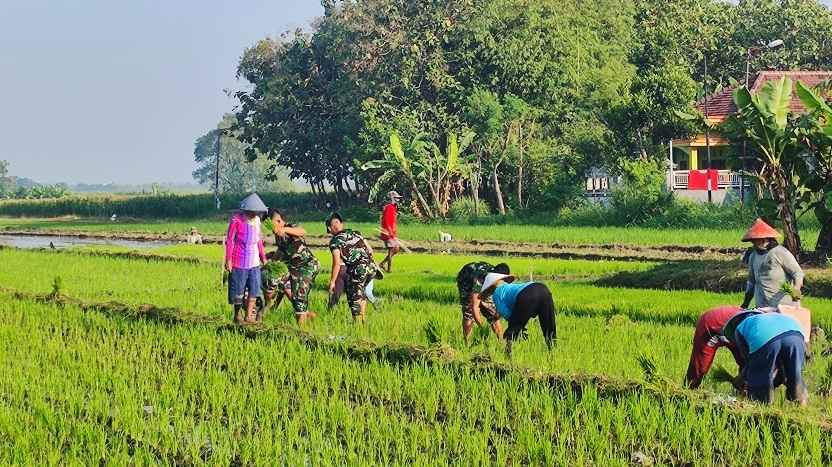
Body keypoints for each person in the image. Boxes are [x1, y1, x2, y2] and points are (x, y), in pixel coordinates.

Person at [723, 310, 808, 406]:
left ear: (734, 326)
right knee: (795, 373)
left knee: (758, 376)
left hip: (764, 337)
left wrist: (741, 378)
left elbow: (751, 363)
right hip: (796, 334)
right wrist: (775, 383)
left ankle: (762, 410)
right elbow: (782, 370)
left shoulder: (739, 329)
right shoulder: (765, 318)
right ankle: (802, 408)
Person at [266, 208, 320, 328]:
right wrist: (270, 263)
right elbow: (281, 250)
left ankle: (301, 330)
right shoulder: (278, 236)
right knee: (276, 279)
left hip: (306, 266)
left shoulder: (291, 227)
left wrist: (284, 229)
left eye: (273, 225)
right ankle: (268, 305)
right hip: (291, 266)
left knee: (300, 297)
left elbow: (303, 231)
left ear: (279, 221)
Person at [478, 273, 556, 355]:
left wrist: (517, 327)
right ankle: (553, 353)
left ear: (490, 286)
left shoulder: (496, 294)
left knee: (510, 333)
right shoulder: (509, 287)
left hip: (527, 295)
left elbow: (508, 315)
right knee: (549, 327)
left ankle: (508, 357)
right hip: (543, 289)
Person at [326, 212, 377, 324]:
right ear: (342, 224)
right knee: (360, 293)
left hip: (358, 270)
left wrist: (332, 281)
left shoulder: (335, 241)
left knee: (354, 298)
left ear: (330, 228)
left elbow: (336, 263)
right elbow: (370, 250)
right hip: (372, 268)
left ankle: (358, 325)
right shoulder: (356, 233)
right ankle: (363, 320)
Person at [225, 193, 268, 324]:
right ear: (245, 210)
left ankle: (249, 316)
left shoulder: (257, 221)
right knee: (238, 290)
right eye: (251, 211)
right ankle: (237, 314)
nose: (253, 214)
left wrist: (263, 258)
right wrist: (229, 260)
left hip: (254, 261)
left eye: (255, 212)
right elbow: (230, 240)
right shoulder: (236, 220)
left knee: (254, 290)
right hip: (239, 261)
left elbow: (259, 241)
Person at [742, 219, 804, 308]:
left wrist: (796, 288)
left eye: (758, 240)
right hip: (763, 307)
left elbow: (797, 272)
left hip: (784, 307)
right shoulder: (753, 256)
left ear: (766, 239)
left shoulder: (780, 252)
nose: (755, 243)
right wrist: (745, 303)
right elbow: (752, 282)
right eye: (753, 240)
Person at [684, 305, 746, 389]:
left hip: (735, 327)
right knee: (698, 369)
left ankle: (745, 393)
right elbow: (754, 362)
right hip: (711, 324)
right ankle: (687, 392)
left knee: (745, 364)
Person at [456, 261, 510, 340]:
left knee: (493, 314)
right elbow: (474, 307)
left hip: (484, 282)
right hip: (466, 279)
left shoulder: (499, 277)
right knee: (469, 312)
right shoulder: (481, 279)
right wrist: (482, 328)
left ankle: (501, 341)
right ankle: (467, 342)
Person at [256, 250, 293, 322]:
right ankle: (258, 320)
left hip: (263, 280)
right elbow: (283, 289)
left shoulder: (267, 264)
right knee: (267, 305)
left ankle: (258, 319)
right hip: (271, 279)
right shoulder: (283, 269)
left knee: (264, 304)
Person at [379, 190, 402, 273]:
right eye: (396, 198)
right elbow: (386, 220)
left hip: (392, 232)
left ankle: (382, 264)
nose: (398, 200)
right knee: (392, 249)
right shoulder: (389, 207)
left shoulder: (393, 208)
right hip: (388, 232)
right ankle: (389, 269)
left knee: (396, 249)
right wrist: (389, 231)